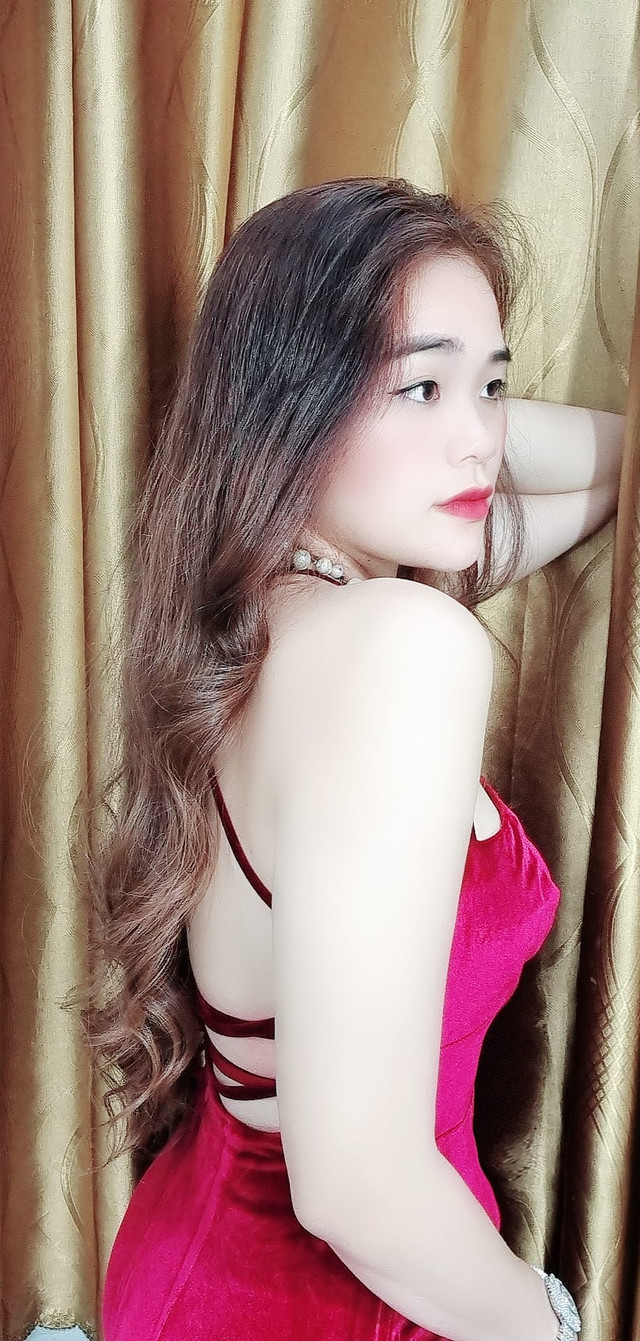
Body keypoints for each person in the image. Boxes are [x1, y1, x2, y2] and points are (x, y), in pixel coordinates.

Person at [89, 178, 624, 1341]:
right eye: (417, 386)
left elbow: (613, 467)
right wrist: (546, 1328)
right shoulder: (397, 647)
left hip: (200, 1259)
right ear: (289, 403)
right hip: (332, 1304)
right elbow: (358, 1189)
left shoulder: (252, 618)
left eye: (493, 385)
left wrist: (440, 393)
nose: (478, 437)